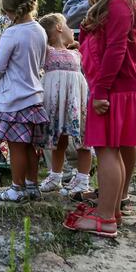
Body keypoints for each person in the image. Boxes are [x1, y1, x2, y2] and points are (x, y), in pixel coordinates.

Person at [64, 0, 136, 237]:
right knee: (111, 150)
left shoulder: (117, 5)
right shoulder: (122, 1)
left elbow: (115, 51)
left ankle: (105, 219)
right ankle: (111, 209)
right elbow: (111, 45)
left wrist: (100, 92)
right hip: (120, 86)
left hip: (111, 89)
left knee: (107, 151)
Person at [0, 0, 48, 202]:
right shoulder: (40, 30)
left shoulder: (12, 33)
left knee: (16, 147)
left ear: (9, 10)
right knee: (31, 146)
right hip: (34, 95)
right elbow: (42, 60)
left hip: (14, 97)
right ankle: (32, 185)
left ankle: (17, 188)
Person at [36, 13, 91, 195]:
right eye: (67, 25)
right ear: (59, 28)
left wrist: (77, 47)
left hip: (76, 99)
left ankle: (83, 179)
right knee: (58, 140)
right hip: (57, 102)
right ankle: (56, 175)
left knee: (83, 140)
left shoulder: (77, 52)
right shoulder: (47, 51)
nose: (71, 30)